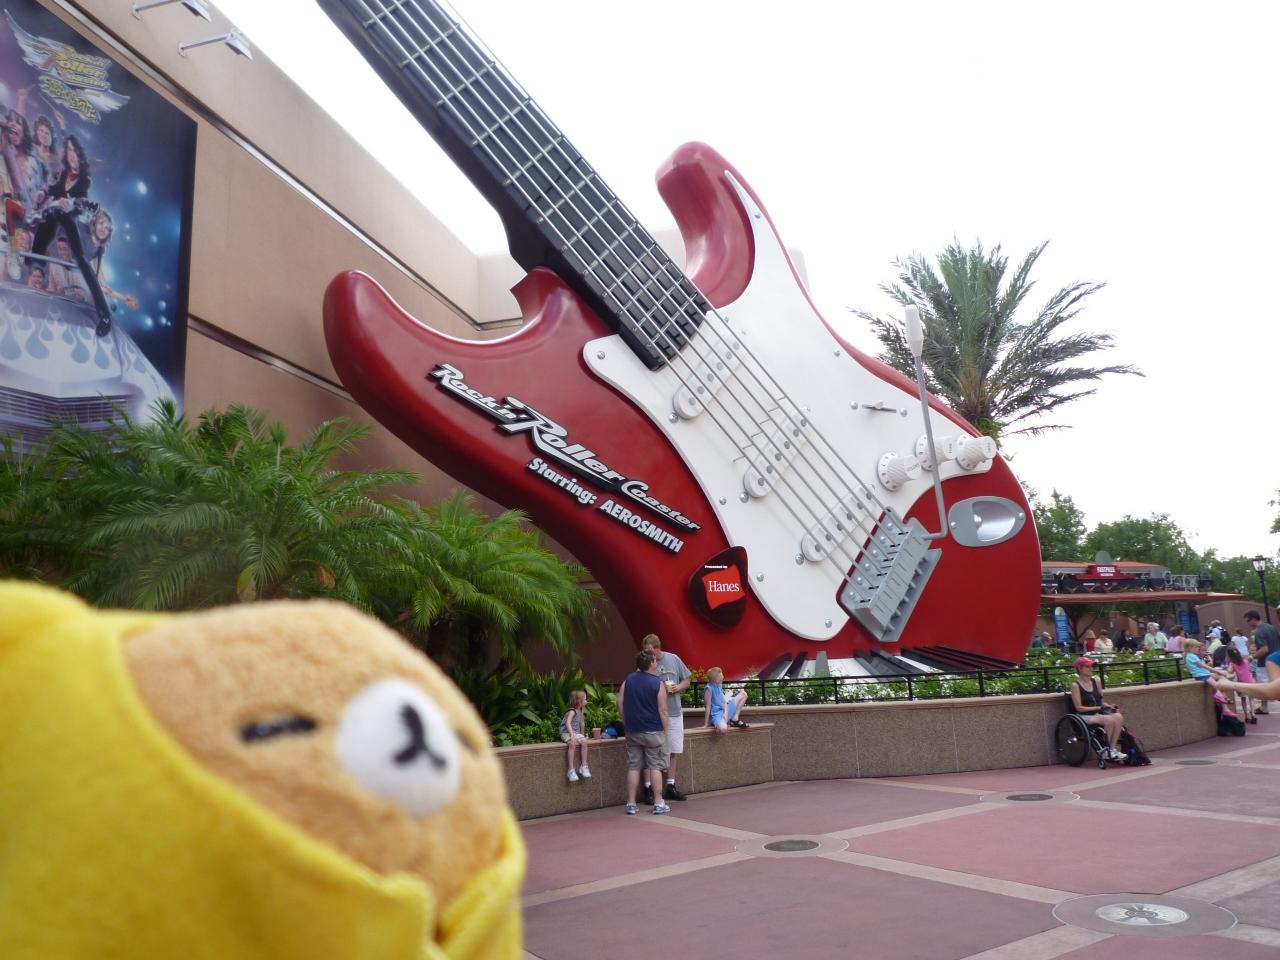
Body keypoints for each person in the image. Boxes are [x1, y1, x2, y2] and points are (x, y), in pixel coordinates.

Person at [30, 135, 113, 337]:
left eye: (75, 150)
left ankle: (105, 315)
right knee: (37, 245)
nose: (72, 154)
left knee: (81, 260)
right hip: (52, 218)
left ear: (80, 154)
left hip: (69, 222)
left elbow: (81, 204)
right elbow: (51, 189)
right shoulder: (62, 173)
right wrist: (43, 194)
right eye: (69, 150)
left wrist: (70, 204)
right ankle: (32, 269)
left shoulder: (84, 179)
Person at [639, 633, 690, 803]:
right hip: (653, 713)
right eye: (644, 650)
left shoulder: (673, 659)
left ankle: (670, 786)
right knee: (650, 751)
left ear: (657, 648)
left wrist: (678, 687)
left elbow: (687, 680)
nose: (646, 653)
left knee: (674, 750)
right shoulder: (645, 663)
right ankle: (648, 788)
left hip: (674, 712)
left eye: (648, 650)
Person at [618, 651, 669, 815]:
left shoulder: (628, 680)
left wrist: (626, 721)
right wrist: (666, 730)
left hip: (633, 730)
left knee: (634, 766)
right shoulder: (657, 683)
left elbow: (620, 702)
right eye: (655, 660)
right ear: (652, 663)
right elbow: (663, 710)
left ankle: (631, 803)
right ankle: (658, 802)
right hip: (653, 730)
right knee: (655, 766)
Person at [1069, 656, 1126, 761]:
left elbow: (1101, 701)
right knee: (1109, 720)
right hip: (1084, 715)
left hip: (1098, 713)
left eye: (1092, 667)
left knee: (1118, 717)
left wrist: (1108, 706)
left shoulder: (1096, 681)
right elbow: (1079, 708)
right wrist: (1099, 707)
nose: (1091, 669)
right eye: (1087, 667)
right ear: (1080, 668)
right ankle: (1105, 750)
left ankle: (1112, 749)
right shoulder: (1075, 685)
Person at [559, 689, 591, 782]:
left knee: (584, 742)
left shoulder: (580, 711)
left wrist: (582, 736)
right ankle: (570, 770)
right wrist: (572, 735)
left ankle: (583, 766)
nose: (586, 701)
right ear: (579, 701)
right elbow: (568, 723)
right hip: (566, 733)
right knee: (572, 743)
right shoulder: (572, 711)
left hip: (575, 733)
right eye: (585, 699)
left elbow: (582, 723)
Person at [702, 667, 748, 733]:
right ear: (715, 679)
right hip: (717, 715)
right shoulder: (708, 689)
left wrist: (725, 712)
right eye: (721, 676)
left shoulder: (719, 685)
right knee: (723, 729)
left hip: (725, 711)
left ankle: (734, 719)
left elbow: (724, 702)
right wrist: (705, 725)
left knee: (743, 694)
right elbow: (708, 707)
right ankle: (718, 724)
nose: (723, 677)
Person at [1224, 646, 1256, 724]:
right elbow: (1250, 669)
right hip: (1250, 682)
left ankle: (1246, 716)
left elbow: (1229, 671)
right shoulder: (1246, 661)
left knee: (1243, 699)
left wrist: (1227, 662)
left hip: (1241, 684)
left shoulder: (1233, 663)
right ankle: (1253, 715)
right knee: (1251, 699)